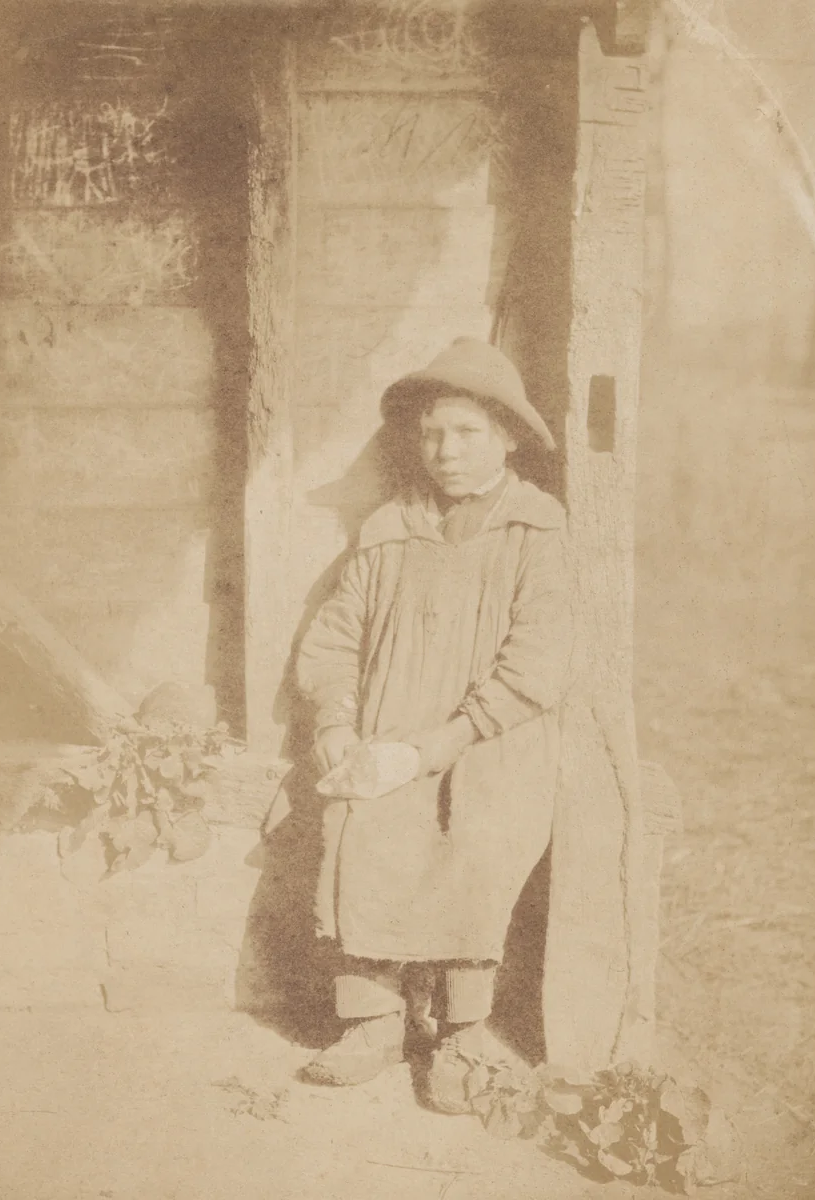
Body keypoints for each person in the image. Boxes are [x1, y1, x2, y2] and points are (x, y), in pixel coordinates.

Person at [294, 337, 573, 1114]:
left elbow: (536, 664)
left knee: (478, 836)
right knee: (360, 816)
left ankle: (460, 1032)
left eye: (466, 433)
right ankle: (375, 1021)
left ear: (507, 438)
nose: (445, 451)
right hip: (388, 732)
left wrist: (441, 745)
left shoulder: (534, 532)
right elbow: (334, 639)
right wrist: (337, 728)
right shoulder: (389, 529)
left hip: (486, 740)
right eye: (432, 434)